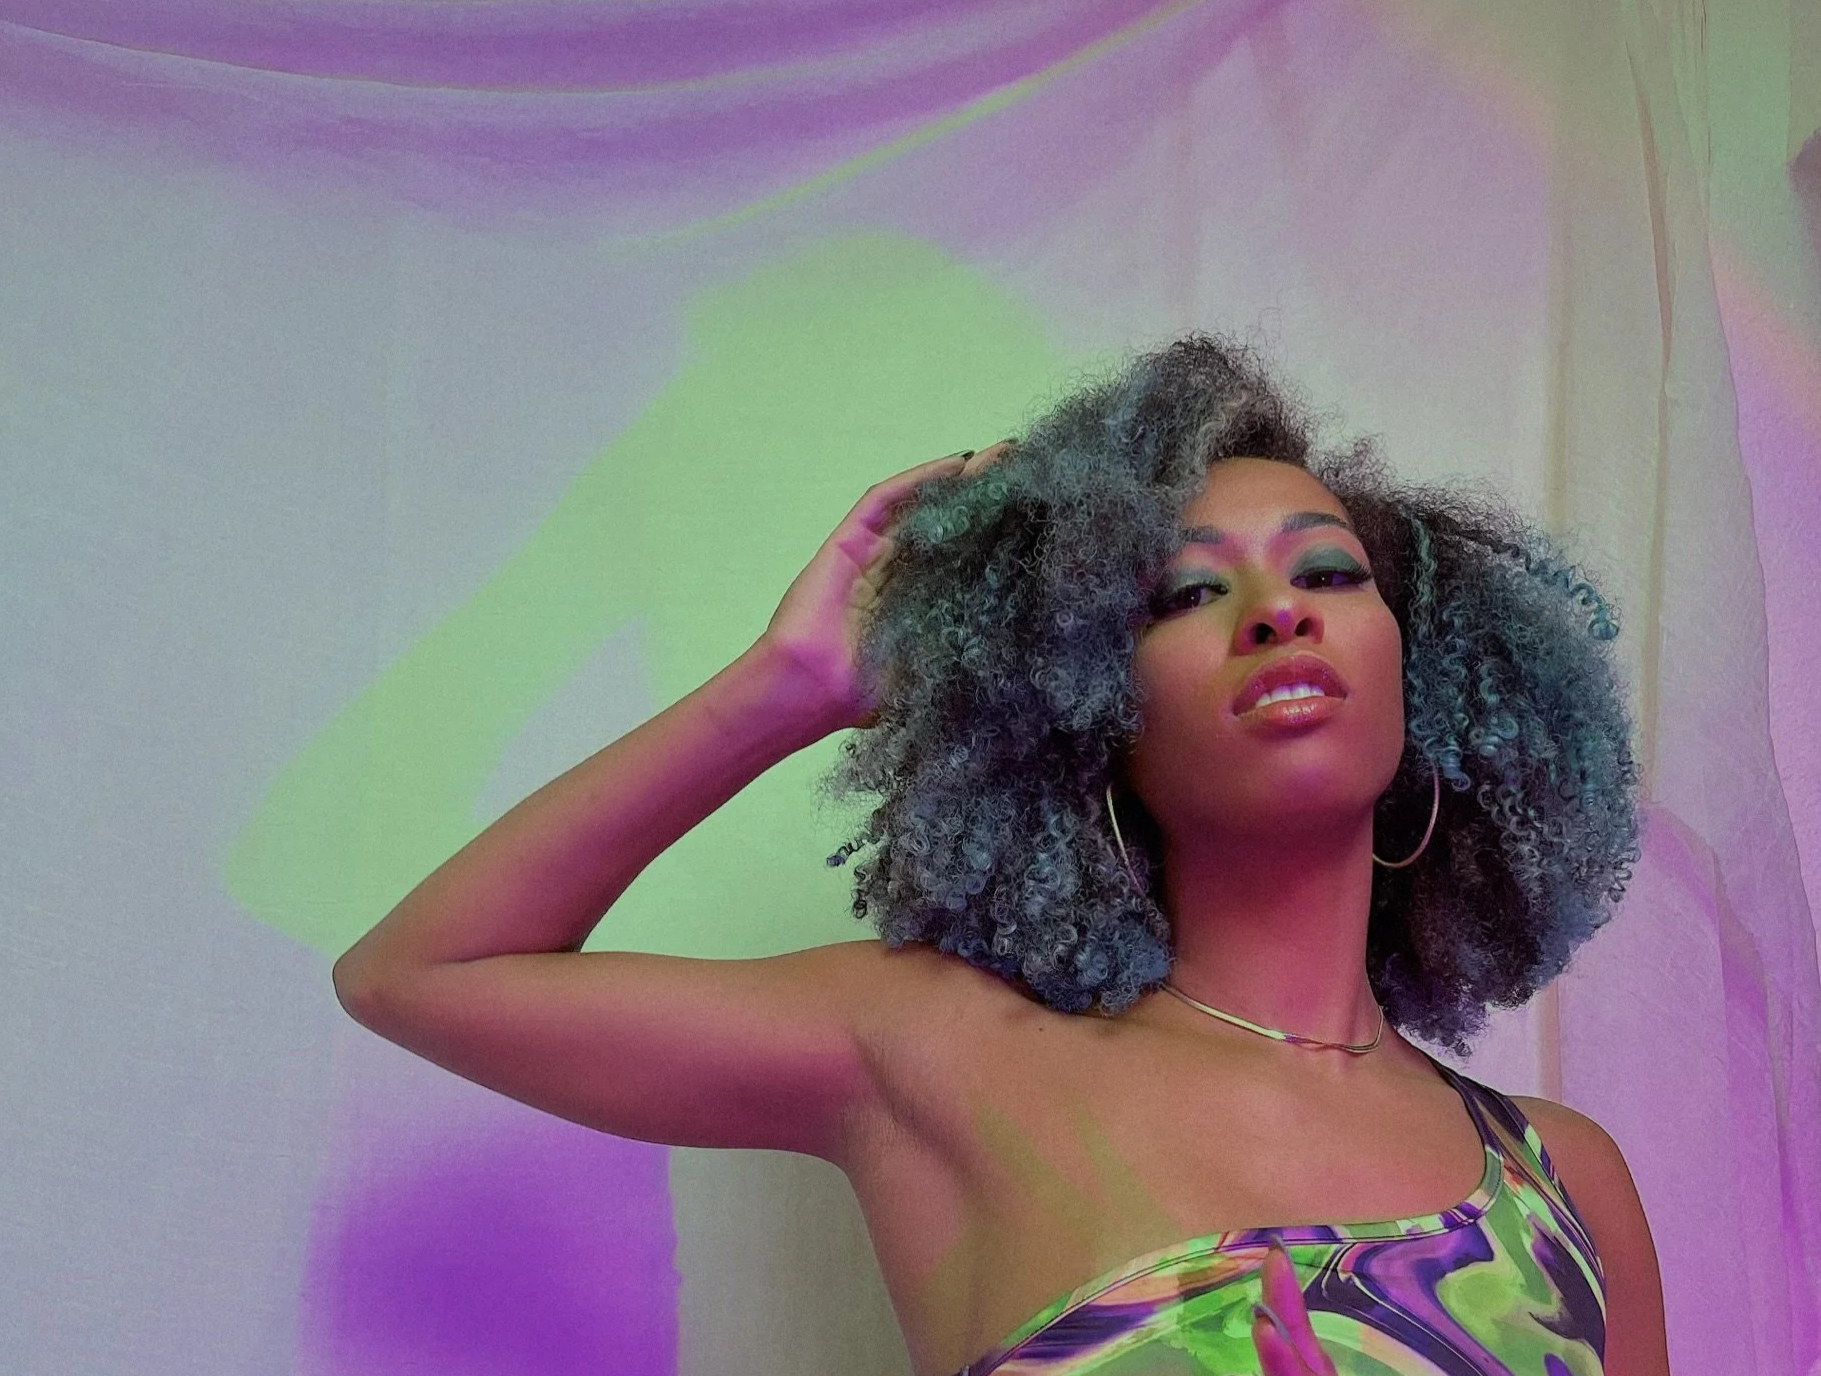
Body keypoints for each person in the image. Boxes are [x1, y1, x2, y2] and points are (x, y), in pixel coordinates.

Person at [333, 336, 1671, 1375]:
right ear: (1086, 714)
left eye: (1327, 573)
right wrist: (786, 688)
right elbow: (421, 975)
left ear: (1432, 679)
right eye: (1187, 593)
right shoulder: (944, 1049)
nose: (1276, 615)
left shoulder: (1562, 1182)